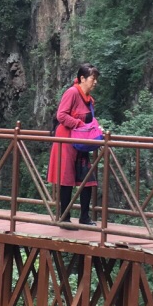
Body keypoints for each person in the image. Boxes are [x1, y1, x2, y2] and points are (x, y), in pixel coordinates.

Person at [47, 64, 102, 228]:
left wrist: (97, 130)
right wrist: (78, 123)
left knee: (87, 179)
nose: (95, 82)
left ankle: (84, 217)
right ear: (82, 79)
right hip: (67, 141)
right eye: (93, 79)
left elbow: (89, 121)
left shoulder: (89, 99)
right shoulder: (72, 92)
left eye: (96, 79)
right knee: (66, 179)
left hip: (81, 142)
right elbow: (61, 115)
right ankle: (64, 218)